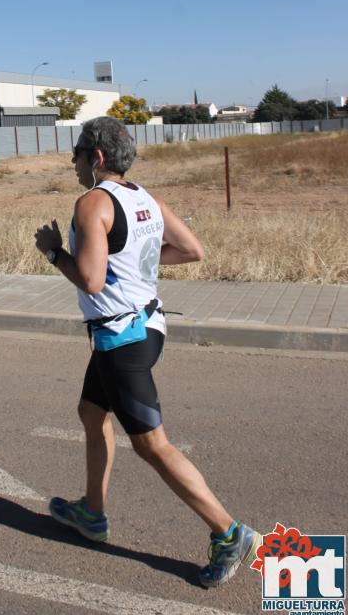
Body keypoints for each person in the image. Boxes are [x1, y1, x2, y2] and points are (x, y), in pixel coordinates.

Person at [34, 116, 260, 588]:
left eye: (77, 154)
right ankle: (92, 512)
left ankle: (228, 532)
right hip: (148, 326)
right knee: (91, 412)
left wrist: (55, 252)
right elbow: (193, 250)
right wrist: (139, 262)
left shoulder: (93, 202)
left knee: (152, 445)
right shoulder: (145, 198)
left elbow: (92, 280)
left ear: (96, 158)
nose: (72, 163)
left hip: (122, 340)